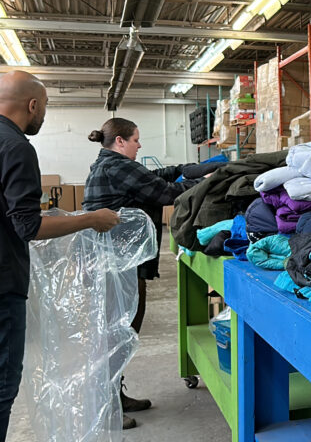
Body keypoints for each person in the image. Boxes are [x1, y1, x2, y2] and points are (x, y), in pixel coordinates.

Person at [0, 71, 120, 442]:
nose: (45, 115)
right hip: (3, 284)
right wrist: (91, 220)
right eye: (46, 107)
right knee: (3, 386)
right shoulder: (17, 146)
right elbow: (27, 226)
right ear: (32, 105)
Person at [83, 117, 206, 429]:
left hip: (119, 263)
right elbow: (164, 193)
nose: (139, 145)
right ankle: (107, 407)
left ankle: (115, 395)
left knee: (121, 333)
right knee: (116, 334)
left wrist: (187, 168)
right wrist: (208, 183)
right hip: (117, 266)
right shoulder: (116, 166)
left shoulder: (110, 164)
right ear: (121, 141)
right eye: (136, 140)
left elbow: (153, 176)